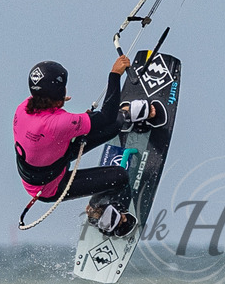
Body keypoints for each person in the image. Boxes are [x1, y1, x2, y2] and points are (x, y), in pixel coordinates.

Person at [13, 55, 159, 237]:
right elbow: (106, 116)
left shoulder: (23, 108)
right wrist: (115, 75)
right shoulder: (59, 123)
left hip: (51, 160)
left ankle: (126, 116)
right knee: (119, 177)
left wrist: (57, 102)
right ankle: (98, 211)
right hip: (51, 187)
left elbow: (50, 121)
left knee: (111, 129)